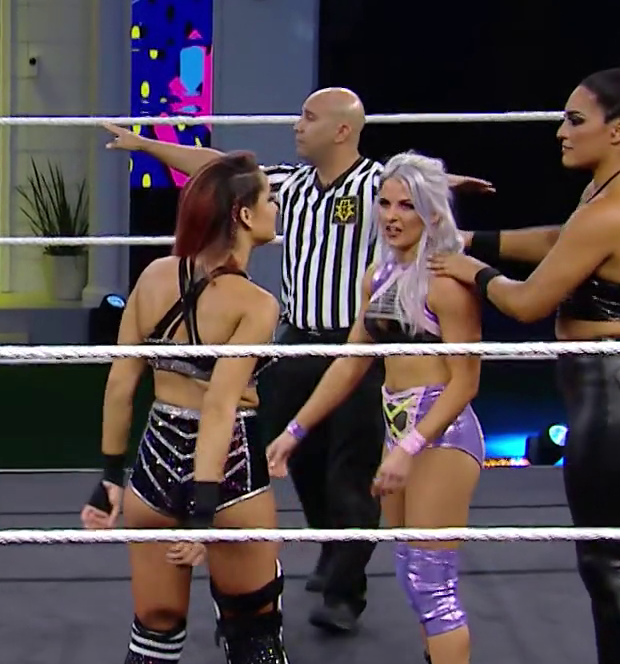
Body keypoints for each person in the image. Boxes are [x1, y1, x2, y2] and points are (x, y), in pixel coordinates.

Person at [104, 94, 490, 635]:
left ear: (342, 131)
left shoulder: (374, 186)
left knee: (351, 471)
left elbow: (415, 192)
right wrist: (147, 146)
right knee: (283, 451)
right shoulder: (289, 184)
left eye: (309, 118)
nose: (297, 126)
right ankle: (322, 547)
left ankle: (344, 590)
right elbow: (218, 170)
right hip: (296, 339)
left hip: (356, 343)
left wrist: (442, 187)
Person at [430, 55, 620, 664]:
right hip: (605, 386)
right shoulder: (611, 187)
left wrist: (468, 271)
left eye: (576, 120)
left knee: (612, 566)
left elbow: (526, 302)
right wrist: (474, 243)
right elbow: (557, 240)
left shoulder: (618, 202)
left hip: (617, 389)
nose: (561, 131)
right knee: (603, 561)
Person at [80, 152, 300, 664]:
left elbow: (122, 382)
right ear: (243, 215)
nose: (276, 208)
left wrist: (108, 478)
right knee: (255, 631)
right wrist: (203, 516)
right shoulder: (255, 304)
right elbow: (220, 408)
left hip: (151, 467)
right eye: (268, 198)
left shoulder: (153, 278)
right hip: (223, 476)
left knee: (154, 629)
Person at [265, 153, 484, 664]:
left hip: (440, 433)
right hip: (400, 429)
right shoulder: (380, 276)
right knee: (413, 576)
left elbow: (466, 382)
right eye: (384, 203)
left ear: (431, 211)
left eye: (406, 205)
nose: (391, 215)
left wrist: (411, 447)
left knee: (433, 579)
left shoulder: (448, 282)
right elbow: (351, 360)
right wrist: (296, 429)